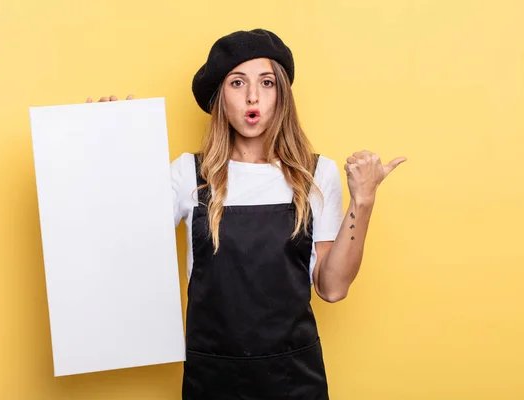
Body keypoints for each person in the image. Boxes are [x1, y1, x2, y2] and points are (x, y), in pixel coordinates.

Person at [87, 28, 406, 400]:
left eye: (266, 83)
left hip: (294, 380)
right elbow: (121, 241)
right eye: (238, 82)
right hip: (212, 378)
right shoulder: (188, 175)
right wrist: (105, 144)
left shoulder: (317, 175)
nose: (253, 96)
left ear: (281, 96)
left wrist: (363, 201)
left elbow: (331, 288)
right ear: (220, 97)